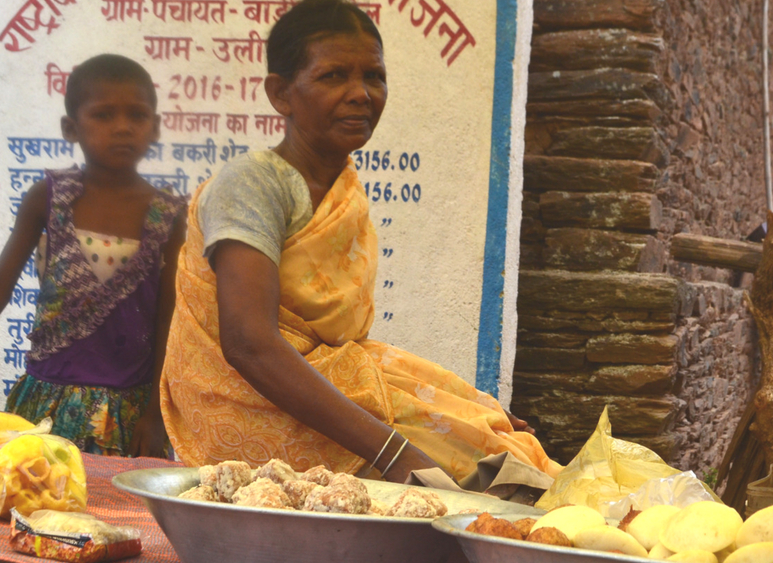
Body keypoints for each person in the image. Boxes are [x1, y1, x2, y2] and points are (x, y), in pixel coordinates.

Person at [161, 0, 561, 482]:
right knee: (486, 478)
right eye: (333, 77)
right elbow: (250, 344)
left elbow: (345, 347)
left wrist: (466, 408)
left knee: (507, 450)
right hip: (250, 408)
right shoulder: (253, 184)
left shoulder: (341, 187)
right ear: (281, 93)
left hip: (320, 393)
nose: (360, 94)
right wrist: (394, 451)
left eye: (374, 76)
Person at [0, 55, 187, 457]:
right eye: (103, 115)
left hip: (128, 415)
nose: (122, 127)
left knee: (125, 518)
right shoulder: (46, 199)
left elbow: (170, 321)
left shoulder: (170, 214)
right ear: (71, 128)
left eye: (137, 115)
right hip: (43, 409)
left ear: (154, 127)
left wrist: (156, 416)